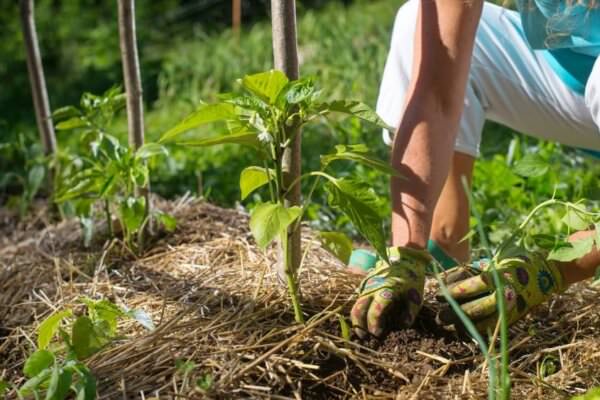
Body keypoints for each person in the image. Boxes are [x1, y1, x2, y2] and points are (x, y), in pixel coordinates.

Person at [350, 0, 600, 338]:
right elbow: (436, 90)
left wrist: (554, 268)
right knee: (421, 24)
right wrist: (406, 251)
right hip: (571, 79)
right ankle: (444, 241)